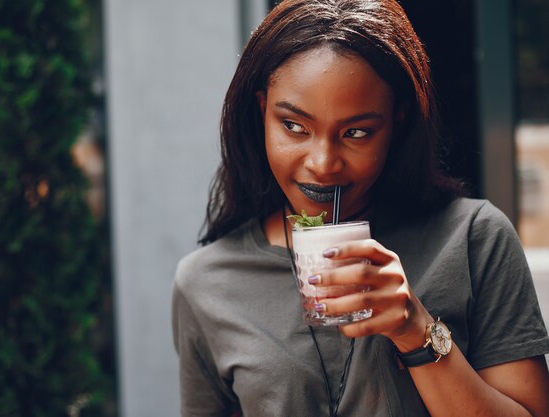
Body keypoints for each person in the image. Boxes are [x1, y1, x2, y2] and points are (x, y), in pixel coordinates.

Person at [171, 0, 549, 416]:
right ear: (262, 111)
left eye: (356, 132)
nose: (323, 162)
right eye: (294, 126)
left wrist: (414, 328)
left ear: (397, 122)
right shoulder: (206, 282)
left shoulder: (474, 239)